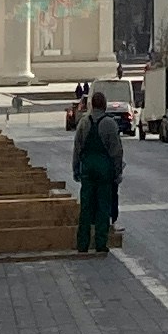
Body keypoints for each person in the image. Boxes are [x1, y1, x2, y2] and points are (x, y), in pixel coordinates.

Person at [72, 94, 124, 254]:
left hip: (87, 168)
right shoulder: (109, 124)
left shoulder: (83, 123)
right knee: (103, 206)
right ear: (105, 105)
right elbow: (116, 151)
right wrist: (117, 172)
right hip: (104, 170)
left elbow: (77, 148)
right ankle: (100, 243)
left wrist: (76, 169)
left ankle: (82, 244)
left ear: (91, 105)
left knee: (86, 207)